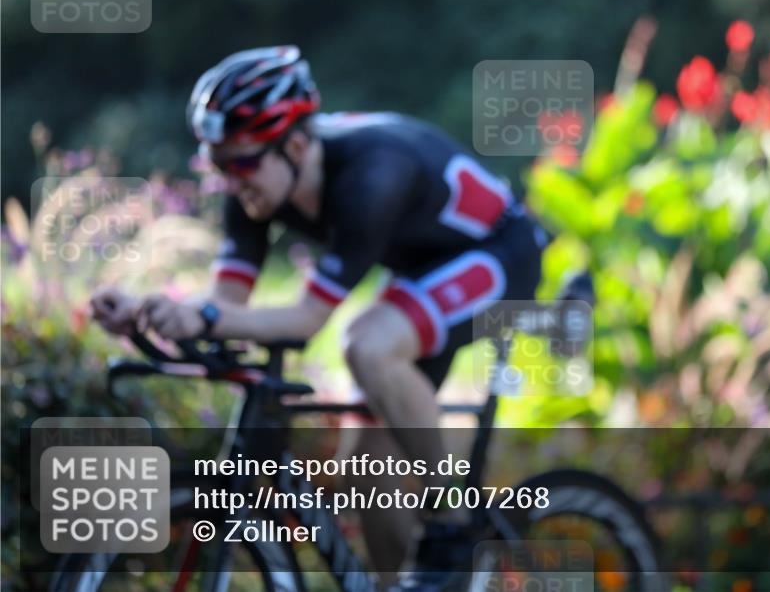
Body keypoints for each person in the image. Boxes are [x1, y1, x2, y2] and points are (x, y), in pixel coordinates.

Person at [90, 45, 547, 590]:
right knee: (366, 474)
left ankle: (452, 521)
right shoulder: (258, 184)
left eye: (238, 163)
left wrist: (205, 320)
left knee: (367, 344)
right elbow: (224, 305)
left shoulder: (373, 175)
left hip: (501, 253)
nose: (229, 182)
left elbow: (307, 320)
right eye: (217, 165)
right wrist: (148, 311)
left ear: (298, 144)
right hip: (425, 271)